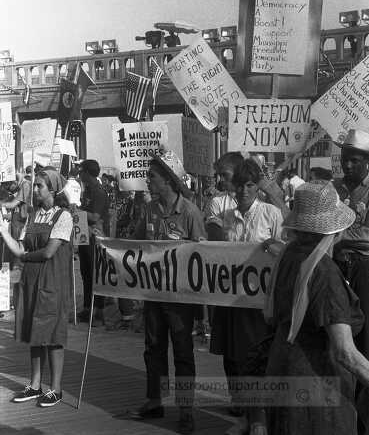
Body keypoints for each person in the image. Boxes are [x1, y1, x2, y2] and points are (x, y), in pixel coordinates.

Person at [264, 181, 369, 435]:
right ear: (335, 229)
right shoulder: (324, 272)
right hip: (318, 390)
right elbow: (345, 353)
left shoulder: (288, 255)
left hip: (283, 376)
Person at [132, 150, 206, 435]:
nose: (147, 181)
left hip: (180, 298)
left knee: (183, 350)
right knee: (153, 348)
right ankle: (155, 400)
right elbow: (136, 243)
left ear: (168, 181)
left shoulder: (190, 212)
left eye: (152, 177)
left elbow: (203, 254)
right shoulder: (149, 210)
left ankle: (186, 409)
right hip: (154, 294)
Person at [209, 158, 284, 435]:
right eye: (239, 185)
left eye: (250, 185)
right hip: (232, 298)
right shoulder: (225, 217)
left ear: (257, 187)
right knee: (233, 355)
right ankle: (243, 409)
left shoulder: (271, 214)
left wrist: (271, 248)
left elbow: (284, 253)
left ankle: (259, 417)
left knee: (256, 356)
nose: (243, 191)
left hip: (259, 301)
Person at [0, 168, 73, 407]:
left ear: (52, 189)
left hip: (52, 280)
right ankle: (34, 384)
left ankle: (56, 388)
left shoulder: (63, 216)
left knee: (52, 333)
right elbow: (19, 249)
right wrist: (2, 231)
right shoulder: (32, 215)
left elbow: (50, 251)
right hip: (32, 280)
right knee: (35, 331)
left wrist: (26, 256)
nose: (35, 189)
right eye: (36, 185)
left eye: (40, 185)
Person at [333, 129, 369, 433]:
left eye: (353, 161)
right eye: (345, 160)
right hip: (338, 270)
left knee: (363, 342)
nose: (347, 166)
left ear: (366, 162)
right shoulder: (335, 189)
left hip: (364, 273)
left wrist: (341, 238)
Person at [77, 159, 110, 326]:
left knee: (95, 273)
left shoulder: (98, 192)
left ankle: (98, 311)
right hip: (84, 236)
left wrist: (77, 210)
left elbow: (95, 216)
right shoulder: (88, 191)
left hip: (95, 238)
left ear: (88, 173)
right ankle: (87, 308)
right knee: (85, 273)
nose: (79, 175)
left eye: (81, 171)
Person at [0, 168, 32, 268]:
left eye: (9, 187)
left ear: (13, 181)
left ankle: (18, 267)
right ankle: (14, 266)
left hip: (22, 222)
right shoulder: (19, 187)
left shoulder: (25, 185)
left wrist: (2, 204)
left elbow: (14, 204)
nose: (9, 190)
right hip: (16, 221)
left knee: (18, 244)